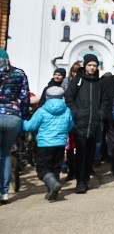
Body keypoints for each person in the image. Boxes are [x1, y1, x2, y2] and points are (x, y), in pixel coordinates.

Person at [22, 86, 73, 201]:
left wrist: (22, 122)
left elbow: (31, 126)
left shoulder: (42, 110)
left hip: (45, 143)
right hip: (60, 143)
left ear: (47, 97)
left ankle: (52, 185)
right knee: (55, 167)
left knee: (42, 169)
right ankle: (52, 191)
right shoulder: (67, 110)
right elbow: (70, 125)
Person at [65, 54, 105, 193]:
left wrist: (100, 114)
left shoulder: (99, 83)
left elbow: (104, 102)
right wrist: (76, 113)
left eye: (94, 65)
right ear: (85, 65)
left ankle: (86, 175)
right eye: (90, 65)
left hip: (94, 123)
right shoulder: (77, 81)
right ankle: (80, 181)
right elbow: (69, 99)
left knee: (90, 153)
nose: (92, 68)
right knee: (81, 153)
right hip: (80, 123)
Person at [0, 48, 30, 203]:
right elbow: (25, 98)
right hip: (13, 117)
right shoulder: (19, 73)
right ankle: (4, 192)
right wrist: (24, 117)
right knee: (5, 154)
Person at [63, 61, 82, 181]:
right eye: (74, 71)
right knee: (69, 147)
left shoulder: (85, 82)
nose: (76, 74)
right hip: (68, 117)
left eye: (78, 71)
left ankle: (80, 168)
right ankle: (70, 169)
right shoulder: (66, 83)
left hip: (81, 117)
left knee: (80, 145)